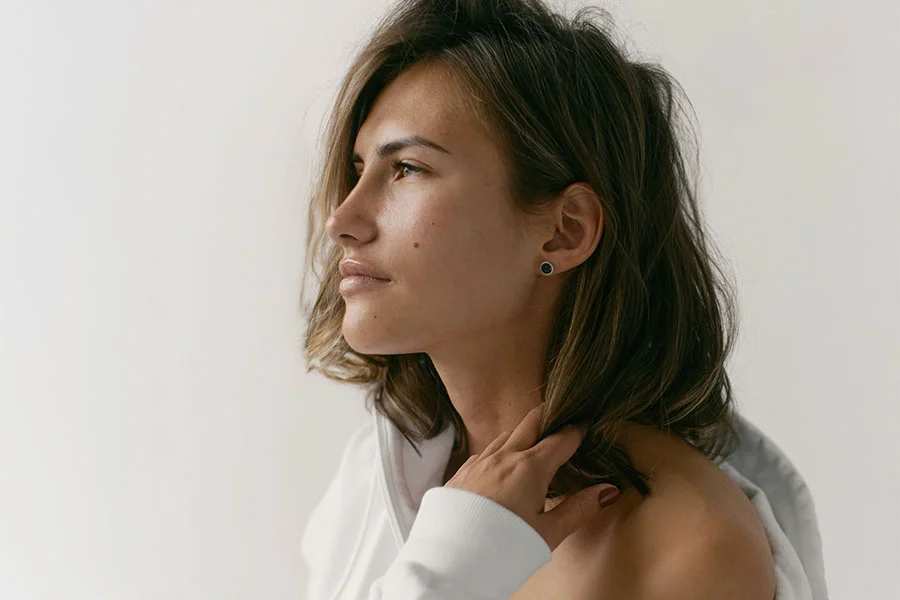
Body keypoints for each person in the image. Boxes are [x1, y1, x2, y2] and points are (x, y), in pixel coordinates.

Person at [299, 0, 828, 598]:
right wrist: (454, 561)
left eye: (409, 169)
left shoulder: (681, 541)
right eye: (359, 167)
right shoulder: (373, 475)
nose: (343, 219)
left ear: (566, 230)